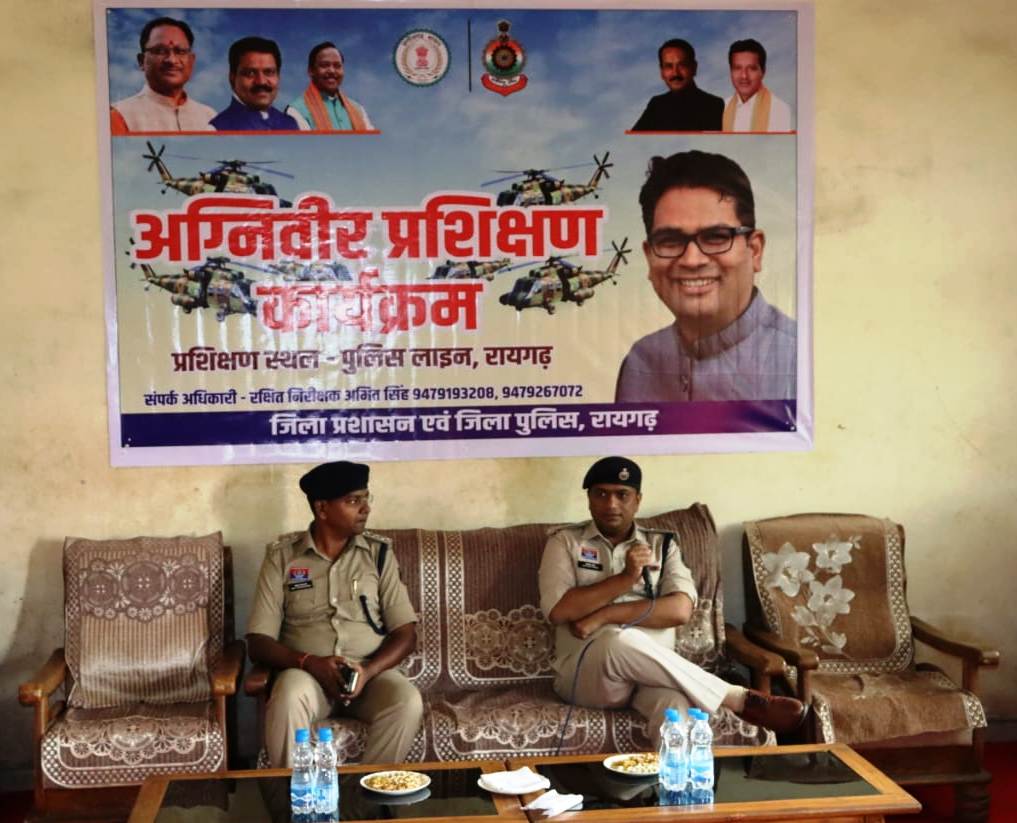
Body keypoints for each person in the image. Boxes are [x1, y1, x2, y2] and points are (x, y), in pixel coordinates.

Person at [538, 456, 807, 746]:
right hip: (589, 677)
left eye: (622, 494)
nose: (611, 504)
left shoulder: (662, 545)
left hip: (651, 678)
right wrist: (626, 579)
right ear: (589, 499)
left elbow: (680, 610)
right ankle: (736, 698)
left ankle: (677, 775)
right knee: (614, 642)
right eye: (601, 494)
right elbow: (559, 610)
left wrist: (605, 615)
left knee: (677, 711)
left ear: (637, 500)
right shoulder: (564, 542)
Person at [247, 461, 422, 767]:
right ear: (322, 508)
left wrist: (368, 672)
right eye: (353, 501)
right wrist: (309, 662)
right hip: (307, 677)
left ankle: (368, 794)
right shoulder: (282, 558)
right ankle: (298, 795)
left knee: (407, 701)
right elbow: (258, 642)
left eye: (366, 498)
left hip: (368, 675)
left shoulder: (378, 554)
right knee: (289, 696)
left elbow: (406, 634)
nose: (365, 508)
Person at [615, 150, 796, 402]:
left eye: (716, 237)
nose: (692, 260)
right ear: (649, 257)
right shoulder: (640, 363)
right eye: (670, 241)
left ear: (755, 250)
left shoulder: (799, 359)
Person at [110, 17, 215, 134]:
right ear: (141, 61)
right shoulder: (120, 116)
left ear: (192, 60)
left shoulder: (209, 117)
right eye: (160, 51)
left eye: (180, 51)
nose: (172, 60)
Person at [631, 39, 724, 132]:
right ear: (661, 72)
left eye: (682, 65)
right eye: (668, 66)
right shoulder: (656, 105)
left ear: (694, 68)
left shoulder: (714, 106)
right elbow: (633, 138)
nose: (675, 73)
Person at [210, 37, 299, 131]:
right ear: (232, 78)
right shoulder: (216, 130)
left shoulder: (290, 124)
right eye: (250, 73)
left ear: (278, 77)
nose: (261, 81)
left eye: (269, 72)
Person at [285, 42, 374, 131]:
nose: (332, 71)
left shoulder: (358, 110)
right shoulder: (296, 111)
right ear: (311, 71)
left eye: (337, 66)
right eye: (324, 65)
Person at [722, 39, 792, 132]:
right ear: (731, 71)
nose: (744, 76)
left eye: (752, 68)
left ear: (763, 71)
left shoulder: (779, 110)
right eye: (737, 68)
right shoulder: (722, 108)